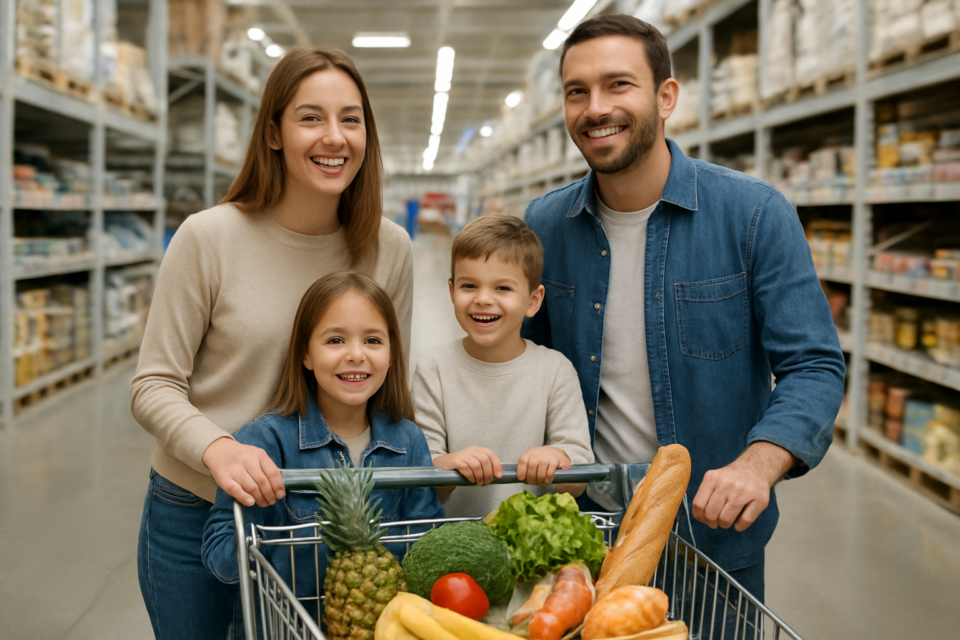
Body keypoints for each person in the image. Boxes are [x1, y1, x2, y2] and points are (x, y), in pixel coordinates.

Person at [521, 15, 846, 602]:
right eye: (577, 91)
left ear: (666, 96)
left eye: (619, 85)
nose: (596, 108)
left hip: (711, 546)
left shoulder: (752, 215)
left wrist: (758, 463)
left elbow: (814, 365)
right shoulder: (544, 227)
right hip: (585, 540)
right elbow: (524, 363)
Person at [130, 47, 414, 638]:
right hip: (195, 509)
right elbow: (153, 385)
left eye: (351, 119)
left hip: (318, 519)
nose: (334, 137)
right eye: (310, 117)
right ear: (274, 133)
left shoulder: (389, 249)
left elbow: (388, 393)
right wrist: (219, 449)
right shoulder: (209, 237)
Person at [202, 273, 443, 624]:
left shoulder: (409, 441)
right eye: (335, 340)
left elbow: (428, 544)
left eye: (373, 340)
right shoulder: (264, 443)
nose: (356, 355)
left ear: (391, 354)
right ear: (306, 355)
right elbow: (222, 557)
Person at [412, 216, 595, 519]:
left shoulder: (555, 371)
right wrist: (449, 464)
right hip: (457, 548)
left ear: (533, 301)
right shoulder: (434, 370)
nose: (483, 299)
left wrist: (557, 458)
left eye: (502, 288)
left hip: (534, 546)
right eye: (469, 285)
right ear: (451, 291)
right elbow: (423, 473)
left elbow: (578, 481)